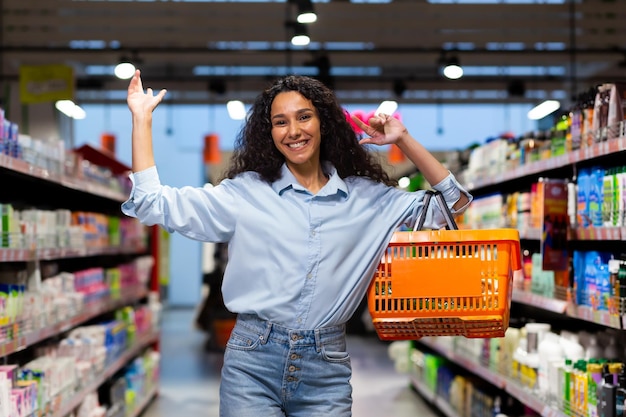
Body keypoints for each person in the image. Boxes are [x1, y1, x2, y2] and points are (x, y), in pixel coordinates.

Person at [122, 69, 472, 417]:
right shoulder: (245, 193)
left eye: (304, 117)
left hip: (326, 368)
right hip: (252, 361)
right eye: (280, 122)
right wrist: (141, 120)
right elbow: (153, 204)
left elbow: (453, 202)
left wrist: (403, 139)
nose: (293, 131)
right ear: (269, 132)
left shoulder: (368, 200)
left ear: (323, 123)